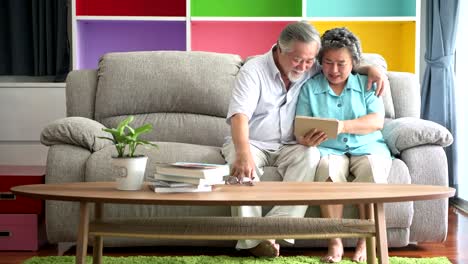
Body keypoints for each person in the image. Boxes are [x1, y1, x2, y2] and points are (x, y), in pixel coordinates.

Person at [222, 21, 388, 258]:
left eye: (310, 61)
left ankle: (272, 231)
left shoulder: (311, 65)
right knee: (241, 173)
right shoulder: (253, 71)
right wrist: (243, 152)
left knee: (311, 156)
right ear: (280, 49)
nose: (304, 66)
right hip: (253, 141)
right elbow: (240, 115)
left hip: (290, 145)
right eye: (298, 60)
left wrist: (372, 69)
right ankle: (252, 240)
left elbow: (342, 66)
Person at [295, 27, 393, 263]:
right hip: (329, 148)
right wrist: (304, 139)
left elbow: (376, 120)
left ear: (354, 63)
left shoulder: (367, 82)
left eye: (341, 63)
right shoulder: (310, 88)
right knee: (326, 169)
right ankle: (335, 241)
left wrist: (342, 126)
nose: (334, 70)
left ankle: (364, 241)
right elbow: (300, 127)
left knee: (371, 169)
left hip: (368, 146)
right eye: (328, 62)